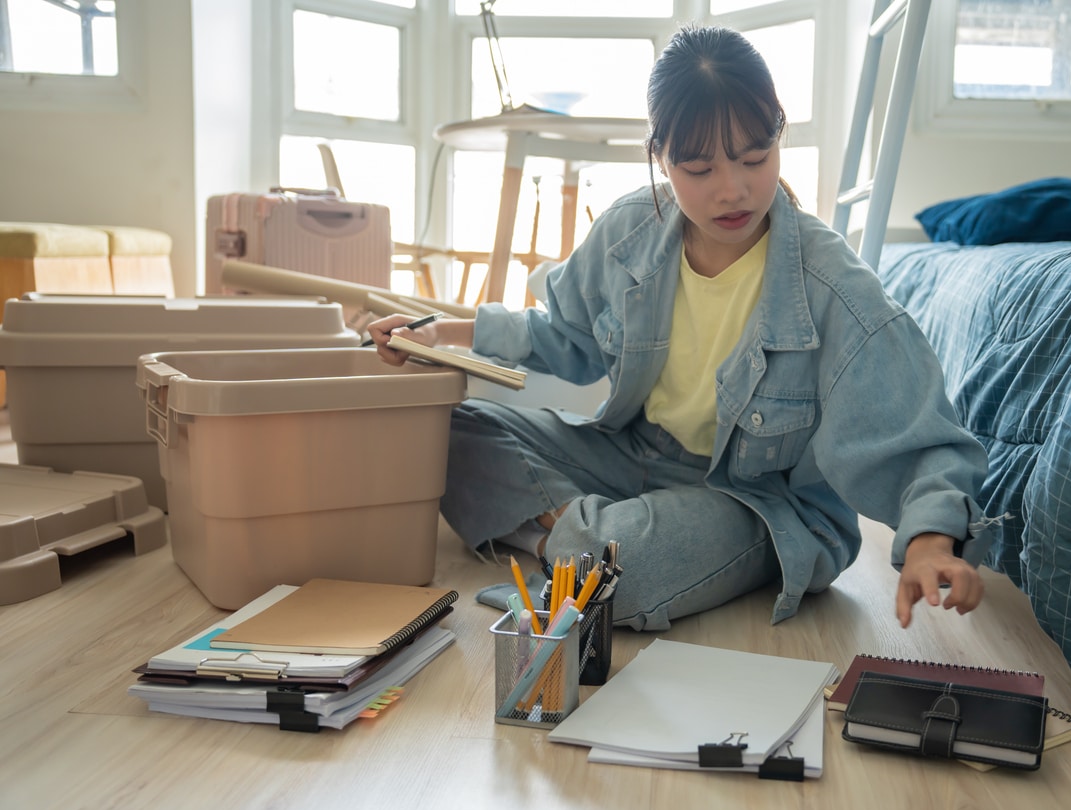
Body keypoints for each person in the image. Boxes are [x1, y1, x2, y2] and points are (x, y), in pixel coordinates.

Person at [368, 24, 998, 633]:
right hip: (633, 456)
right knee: (449, 434)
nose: (734, 190)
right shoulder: (629, 231)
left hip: (756, 501)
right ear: (660, 157)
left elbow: (918, 435)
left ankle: (581, 550)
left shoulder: (831, 284)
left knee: (627, 566)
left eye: (756, 158)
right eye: (698, 169)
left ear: (780, 136)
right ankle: (584, 547)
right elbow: (565, 337)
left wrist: (928, 544)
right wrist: (437, 335)